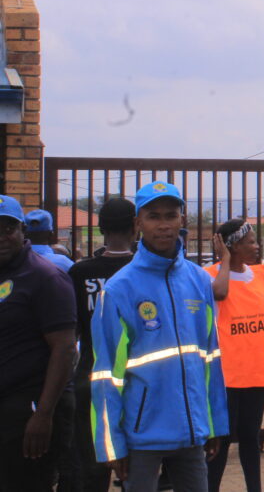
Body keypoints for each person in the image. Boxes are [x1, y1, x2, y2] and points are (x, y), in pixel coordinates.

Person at [90, 181, 229, 490]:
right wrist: (112, 443)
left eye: (171, 215)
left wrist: (214, 423)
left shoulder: (198, 281)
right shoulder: (118, 289)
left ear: (182, 220)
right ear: (138, 223)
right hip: (141, 437)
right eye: (154, 216)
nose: (164, 225)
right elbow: (105, 373)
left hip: (192, 432)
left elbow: (211, 356)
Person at [0, 195, 77, 492]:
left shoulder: (45, 277)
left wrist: (43, 415)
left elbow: (64, 349)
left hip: (28, 414)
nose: (2, 237)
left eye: (8, 228)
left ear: (22, 231)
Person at [205, 219, 264, 492]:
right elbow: (222, 293)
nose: (256, 246)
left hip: (257, 368)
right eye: (250, 241)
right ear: (233, 246)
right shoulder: (211, 275)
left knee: (251, 436)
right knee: (223, 438)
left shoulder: (261, 275)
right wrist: (225, 261)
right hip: (227, 371)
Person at [68, 197, 137, 492]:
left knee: (92, 470)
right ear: (137, 227)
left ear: (100, 228)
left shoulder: (80, 273)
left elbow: (71, 334)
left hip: (91, 378)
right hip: (136, 382)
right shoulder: (143, 270)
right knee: (137, 470)